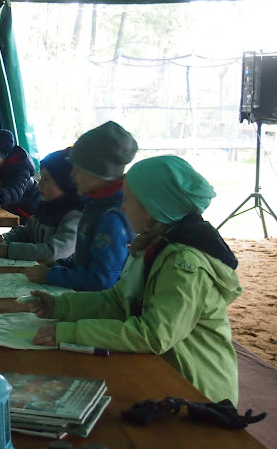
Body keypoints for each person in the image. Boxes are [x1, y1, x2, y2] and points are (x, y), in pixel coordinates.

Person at [27, 155, 242, 405]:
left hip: (197, 393)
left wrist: (71, 332)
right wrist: (61, 306)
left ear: (152, 210)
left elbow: (153, 334)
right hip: (166, 376)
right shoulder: (154, 243)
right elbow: (118, 300)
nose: (122, 207)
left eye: (128, 200)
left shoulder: (184, 264)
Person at [25, 121, 137, 291]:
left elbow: (101, 281)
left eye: (78, 168)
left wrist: (50, 276)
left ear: (98, 172)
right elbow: (85, 262)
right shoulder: (95, 204)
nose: (72, 175)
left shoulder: (112, 217)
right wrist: (58, 266)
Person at [0, 148, 83, 262]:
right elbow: (26, 232)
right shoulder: (45, 206)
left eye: (46, 180)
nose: (39, 185)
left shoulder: (74, 217)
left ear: (66, 184)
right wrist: (4, 239)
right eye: (41, 178)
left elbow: (52, 252)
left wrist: (8, 250)